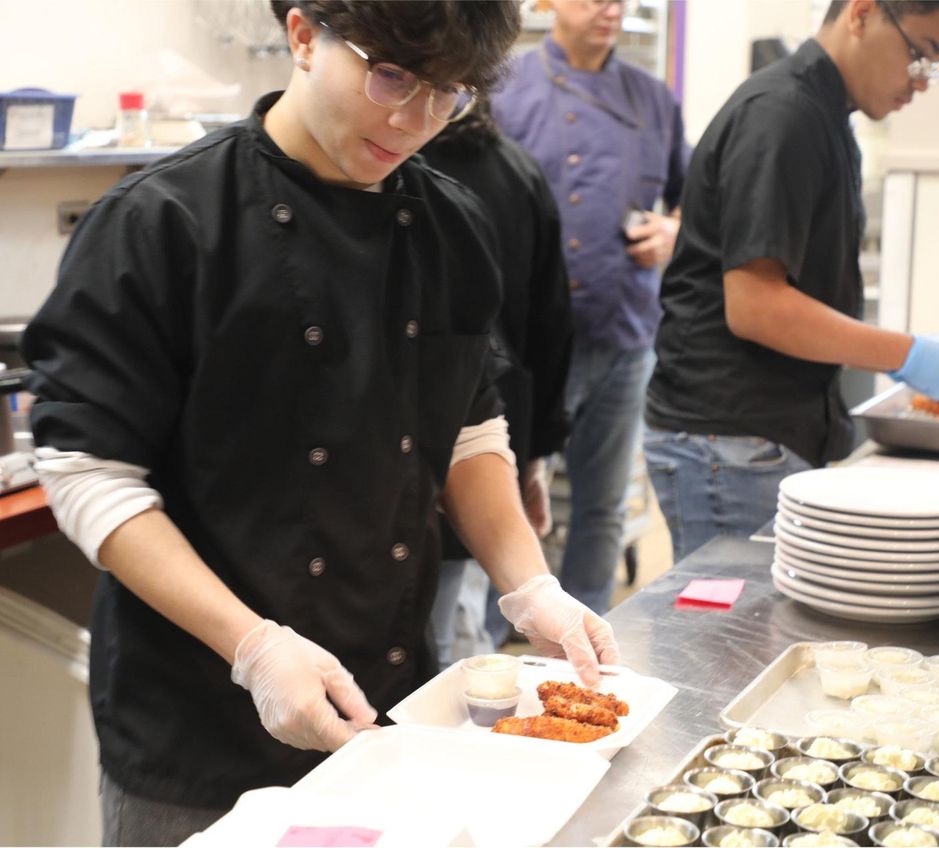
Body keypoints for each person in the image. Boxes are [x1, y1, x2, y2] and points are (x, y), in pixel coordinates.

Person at [20, 3, 618, 845]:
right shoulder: (165, 220)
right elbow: (87, 471)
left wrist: (533, 590)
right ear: (303, 36)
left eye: (445, 93)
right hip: (199, 725)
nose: (412, 121)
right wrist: (256, 649)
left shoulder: (451, 224)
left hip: (387, 705)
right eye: (392, 75)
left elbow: (468, 429)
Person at [645, 0, 939, 561]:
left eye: (933, 68)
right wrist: (907, 353)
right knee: (736, 640)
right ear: (862, 13)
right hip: (727, 438)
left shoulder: (825, 115)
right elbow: (755, 306)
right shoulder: (784, 113)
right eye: (918, 56)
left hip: (758, 434)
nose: (919, 84)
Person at [492, 0, 689, 615]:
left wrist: (672, 232)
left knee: (602, 507)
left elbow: (690, 203)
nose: (610, 11)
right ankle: (499, 640)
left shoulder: (652, 98)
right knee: (509, 498)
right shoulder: (504, 88)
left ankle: (590, 639)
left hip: (626, 329)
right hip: (531, 341)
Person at [420, 100, 574, 667]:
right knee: (457, 619)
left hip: (480, 438)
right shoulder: (516, 170)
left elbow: (545, 327)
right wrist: (535, 456)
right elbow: (551, 332)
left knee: (453, 634)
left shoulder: (453, 193)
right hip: (496, 435)